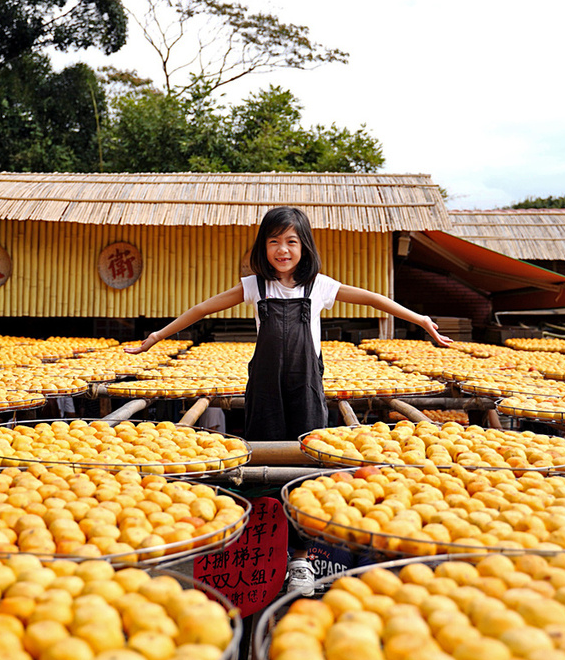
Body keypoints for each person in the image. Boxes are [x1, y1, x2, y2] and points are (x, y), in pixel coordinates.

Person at [126, 206, 452, 593]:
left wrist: (419, 319)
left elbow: (374, 299)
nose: (282, 250)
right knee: (260, 461)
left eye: (291, 242)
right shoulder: (255, 287)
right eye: (274, 241)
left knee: (308, 467)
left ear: (304, 246)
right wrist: (158, 336)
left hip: (305, 388)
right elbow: (201, 309)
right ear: (263, 247)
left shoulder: (318, 287)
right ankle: (266, 554)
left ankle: (301, 560)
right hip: (265, 391)